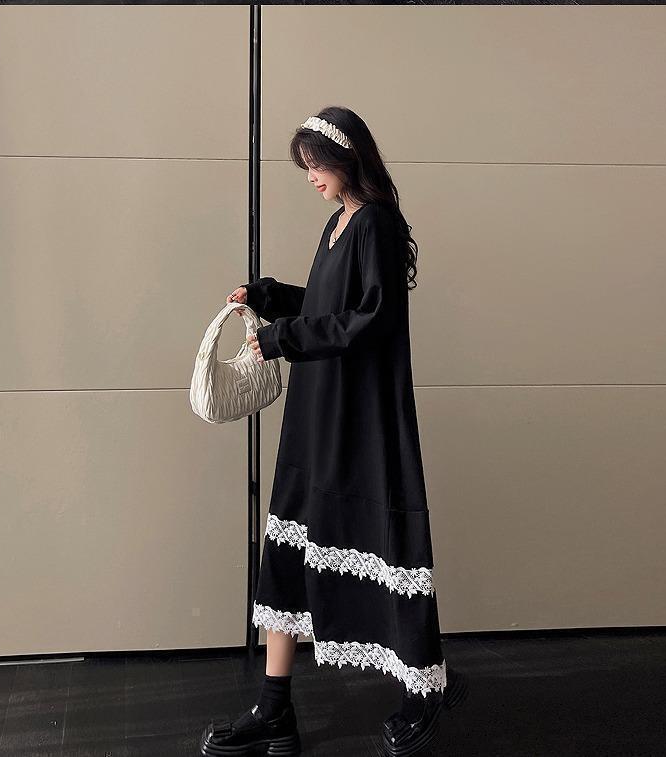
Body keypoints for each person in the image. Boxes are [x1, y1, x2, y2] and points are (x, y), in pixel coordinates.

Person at [200, 108, 469, 757]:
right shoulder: (338, 222)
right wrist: (270, 297)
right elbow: (329, 306)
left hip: (359, 416)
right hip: (317, 413)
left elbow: (371, 319)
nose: (311, 177)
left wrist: (283, 338)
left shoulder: (375, 223)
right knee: (289, 547)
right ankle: (274, 709)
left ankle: (424, 689)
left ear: (348, 160)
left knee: (384, 544)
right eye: (306, 167)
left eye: (316, 164)